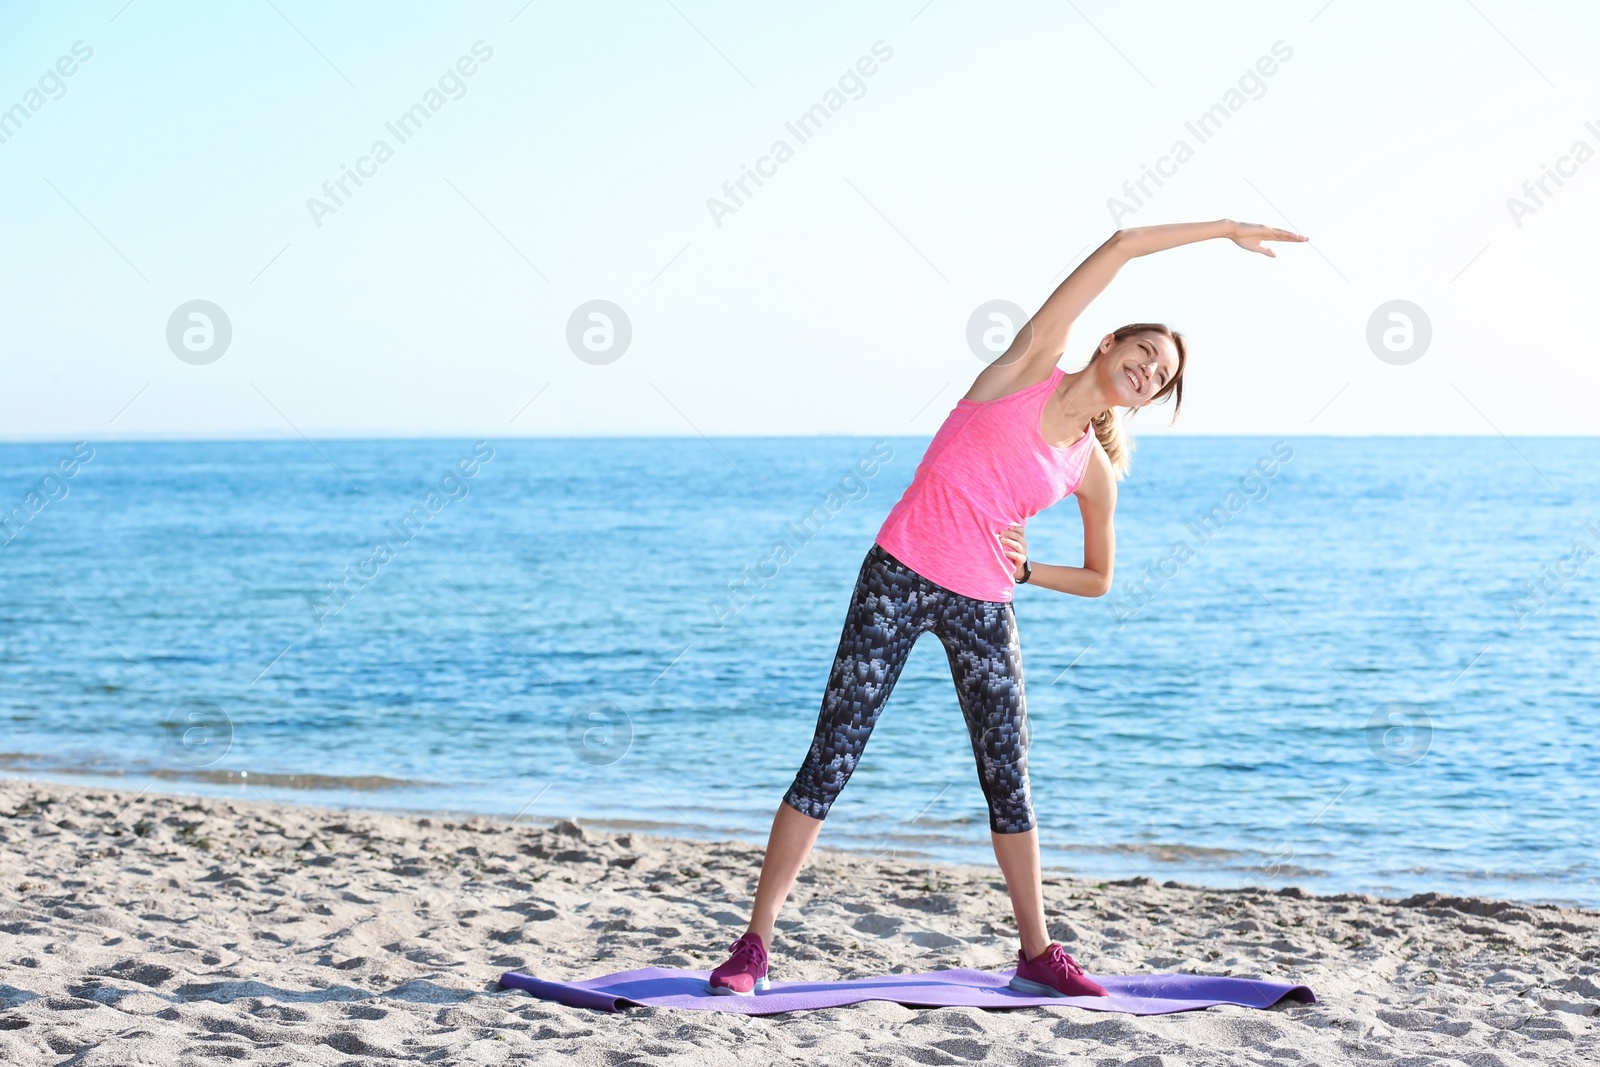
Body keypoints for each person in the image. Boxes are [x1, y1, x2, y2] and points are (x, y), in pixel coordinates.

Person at [707, 218, 1309, 997]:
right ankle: (754, 944)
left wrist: (1029, 572)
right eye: (1146, 354)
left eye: (1161, 377)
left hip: (985, 603)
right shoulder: (1029, 363)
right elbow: (1121, 244)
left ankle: (1036, 950)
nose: (1149, 372)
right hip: (899, 573)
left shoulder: (1090, 468)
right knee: (832, 755)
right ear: (1108, 343)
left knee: (1009, 779)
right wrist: (1224, 229)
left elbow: (1099, 577)